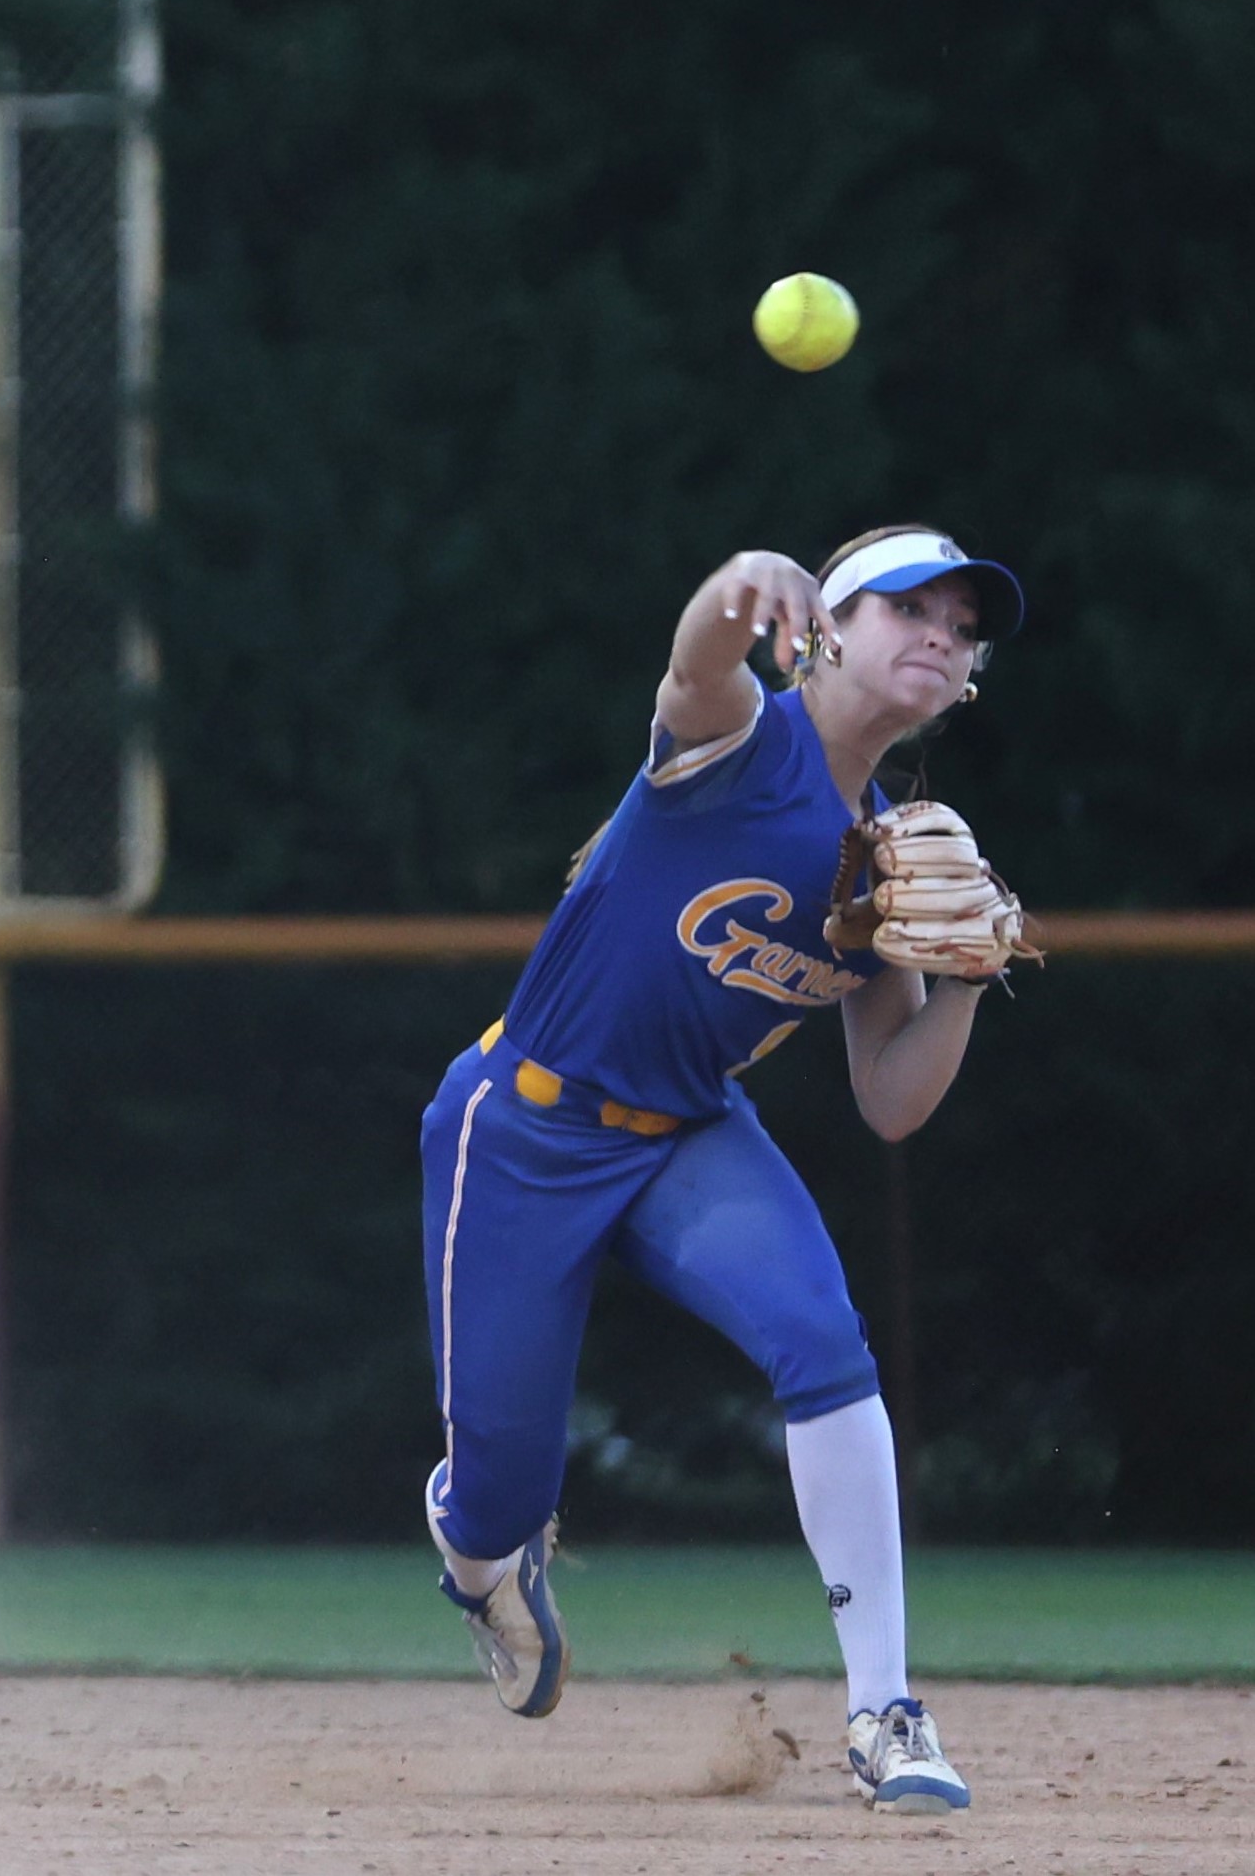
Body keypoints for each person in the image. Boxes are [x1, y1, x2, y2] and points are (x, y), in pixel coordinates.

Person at [419, 526, 1017, 1814]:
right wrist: (737, 575)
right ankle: (477, 1550)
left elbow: (890, 1100)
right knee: (497, 1491)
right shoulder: (743, 737)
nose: (940, 632)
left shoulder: (884, 855)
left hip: (687, 1134)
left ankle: (883, 1710)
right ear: (822, 632)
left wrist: (965, 981)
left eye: (961, 626)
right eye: (906, 605)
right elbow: (695, 665)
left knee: (823, 1343)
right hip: (519, 1127)